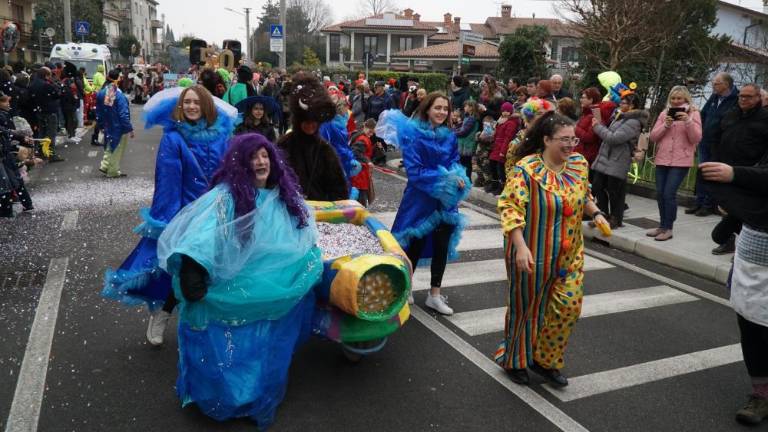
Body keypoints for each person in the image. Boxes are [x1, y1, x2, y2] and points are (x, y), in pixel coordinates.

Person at [156, 133, 322, 427]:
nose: (260, 161)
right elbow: (202, 235)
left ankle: (252, 393)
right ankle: (225, 396)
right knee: (230, 348)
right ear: (240, 162)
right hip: (234, 284)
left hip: (273, 284)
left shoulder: (284, 196)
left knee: (262, 345)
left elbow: (303, 232)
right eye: (253, 156)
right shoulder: (226, 197)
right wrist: (194, 268)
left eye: (265, 155)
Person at [102, 85, 236, 346]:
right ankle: (162, 313)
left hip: (216, 214)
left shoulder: (223, 136)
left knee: (214, 269)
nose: (192, 107)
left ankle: (205, 323)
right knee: (178, 269)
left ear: (206, 105)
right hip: (184, 214)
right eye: (187, 103)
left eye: (197, 102)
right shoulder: (173, 138)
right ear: (180, 107)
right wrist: (167, 221)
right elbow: (167, 180)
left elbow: (231, 174)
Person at [496, 111, 608, 387]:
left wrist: (596, 214)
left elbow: (583, 196)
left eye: (574, 139)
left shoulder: (579, 165)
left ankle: (546, 360)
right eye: (564, 140)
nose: (571, 145)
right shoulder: (527, 170)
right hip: (532, 252)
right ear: (546, 140)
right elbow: (510, 208)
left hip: (569, 255)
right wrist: (520, 247)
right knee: (526, 309)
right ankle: (516, 359)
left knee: (568, 307)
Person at [377, 92, 470, 315]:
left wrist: (457, 177)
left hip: (446, 202)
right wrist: (444, 181)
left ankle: (434, 295)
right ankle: (406, 287)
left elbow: (454, 161)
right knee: (413, 244)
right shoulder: (412, 134)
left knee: (441, 246)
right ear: (427, 108)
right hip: (419, 199)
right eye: (437, 108)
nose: (442, 112)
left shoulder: (450, 136)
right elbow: (415, 171)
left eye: (445, 109)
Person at [278, 73, 348, 201]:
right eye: (306, 121)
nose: (310, 125)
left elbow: (339, 189)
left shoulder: (325, 150)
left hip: (320, 215)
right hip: (289, 211)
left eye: (314, 121)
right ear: (298, 121)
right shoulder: (283, 145)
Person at [645, 86, 702, 241]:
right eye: (673, 98)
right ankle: (662, 226)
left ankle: (669, 228)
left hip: (681, 161)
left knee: (669, 193)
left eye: (679, 98)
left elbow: (696, 138)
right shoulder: (665, 113)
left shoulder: (694, 113)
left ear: (686, 99)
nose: (676, 101)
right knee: (660, 193)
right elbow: (654, 137)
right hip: (663, 158)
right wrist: (666, 125)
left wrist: (688, 121)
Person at [591, 92, 649, 228]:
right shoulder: (620, 117)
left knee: (614, 191)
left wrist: (597, 127)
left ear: (632, 105)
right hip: (607, 158)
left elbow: (614, 138)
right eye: (621, 102)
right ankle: (603, 215)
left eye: (623, 103)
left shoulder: (634, 121)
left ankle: (615, 219)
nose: (620, 105)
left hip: (618, 159)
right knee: (598, 187)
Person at [686, 72, 738, 219]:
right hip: (705, 140)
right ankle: (699, 202)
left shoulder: (736, 99)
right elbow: (704, 114)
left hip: (720, 144)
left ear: (726, 85)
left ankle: (709, 205)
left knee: (712, 174)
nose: (713, 86)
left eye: (716, 83)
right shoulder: (714, 97)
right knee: (702, 172)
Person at [0, 91, 34, 217]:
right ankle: (24, 204)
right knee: (11, 180)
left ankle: (6, 211)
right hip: (5, 150)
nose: (8, 103)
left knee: (6, 182)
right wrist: (18, 137)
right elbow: (6, 132)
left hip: (4, 151)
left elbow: (6, 132)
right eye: (4, 101)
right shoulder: (3, 115)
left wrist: (18, 137)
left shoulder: (4, 114)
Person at [95, 69, 134, 178]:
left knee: (110, 145)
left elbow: (100, 111)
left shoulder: (103, 91)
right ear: (118, 78)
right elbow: (122, 114)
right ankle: (112, 171)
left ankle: (105, 165)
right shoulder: (116, 92)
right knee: (117, 147)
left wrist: (101, 124)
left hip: (108, 124)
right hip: (117, 125)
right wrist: (129, 128)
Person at [29, 67, 64, 162]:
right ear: (46, 75)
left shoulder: (32, 85)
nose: (50, 77)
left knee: (42, 132)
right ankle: (51, 154)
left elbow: (30, 99)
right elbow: (57, 95)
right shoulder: (46, 85)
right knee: (51, 133)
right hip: (49, 111)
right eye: (49, 75)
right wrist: (56, 86)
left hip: (39, 111)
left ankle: (41, 151)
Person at [574, 87, 610, 176]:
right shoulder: (585, 113)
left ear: (591, 100)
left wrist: (575, 128)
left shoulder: (596, 114)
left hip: (588, 156)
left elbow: (590, 137)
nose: (580, 99)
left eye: (583, 97)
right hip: (580, 154)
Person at [488, 102, 520, 195]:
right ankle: (495, 183)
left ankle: (502, 186)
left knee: (500, 167)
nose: (505, 113)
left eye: (507, 111)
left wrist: (503, 151)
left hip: (502, 147)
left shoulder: (511, 122)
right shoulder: (501, 120)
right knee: (492, 165)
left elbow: (507, 137)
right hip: (496, 146)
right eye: (503, 111)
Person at [350, 118, 376, 206]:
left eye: (373, 132)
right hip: (360, 173)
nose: (371, 134)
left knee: (360, 197)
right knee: (360, 198)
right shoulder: (362, 139)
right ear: (365, 127)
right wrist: (367, 161)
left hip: (361, 172)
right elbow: (356, 152)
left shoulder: (361, 137)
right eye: (370, 131)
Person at [455, 100, 479, 180]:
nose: (464, 108)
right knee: (463, 161)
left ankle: (467, 179)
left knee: (466, 162)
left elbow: (464, 131)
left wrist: (453, 133)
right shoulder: (467, 117)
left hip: (468, 144)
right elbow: (460, 127)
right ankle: (463, 178)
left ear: (471, 108)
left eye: (466, 106)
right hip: (464, 143)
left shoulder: (472, 119)